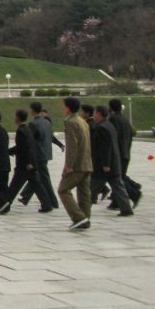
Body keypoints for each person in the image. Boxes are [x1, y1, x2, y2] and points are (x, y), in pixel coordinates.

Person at [0, 109, 53, 214]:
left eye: (15, 116)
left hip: (24, 164)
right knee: (37, 184)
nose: (14, 118)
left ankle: (4, 205)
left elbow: (24, 148)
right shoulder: (27, 129)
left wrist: (27, 162)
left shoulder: (21, 131)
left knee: (14, 186)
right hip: (31, 163)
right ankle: (47, 204)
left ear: (18, 118)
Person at [59, 97, 92, 230]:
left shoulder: (71, 122)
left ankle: (79, 218)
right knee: (84, 192)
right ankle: (85, 218)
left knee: (63, 189)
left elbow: (72, 145)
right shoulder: (83, 122)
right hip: (86, 162)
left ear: (68, 107)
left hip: (77, 164)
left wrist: (69, 165)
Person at [92, 105, 133, 216]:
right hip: (114, 163)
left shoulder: (102, 128)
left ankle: (81, 209)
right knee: (118, 186)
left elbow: (105, 148)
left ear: (99, 114)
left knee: (91, 187)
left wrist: (105, 164)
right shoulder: (109, 125)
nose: (94, 115)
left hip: (104, 165)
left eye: (95, 113)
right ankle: (126, 209)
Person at [109, 99, 142, 208]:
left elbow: (113, 137)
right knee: (118, 177)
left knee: (117, 178)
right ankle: (116, 202)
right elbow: (133, 132)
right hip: (126, 152)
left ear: (111, 108)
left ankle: (134, 193)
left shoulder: (113, 119)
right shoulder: (124, 119)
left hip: (118, 154)